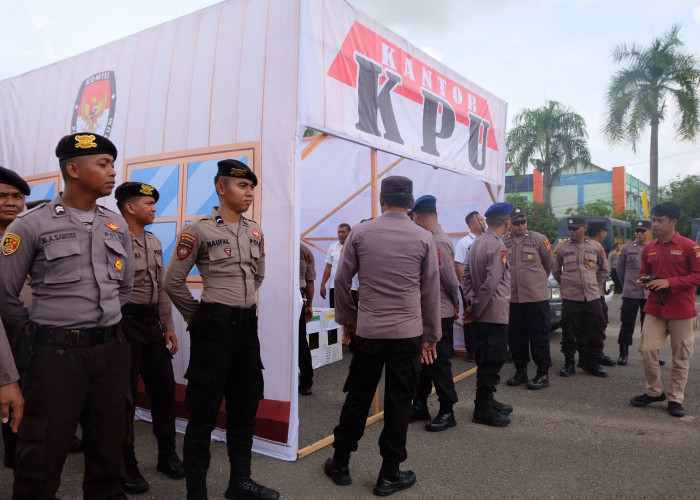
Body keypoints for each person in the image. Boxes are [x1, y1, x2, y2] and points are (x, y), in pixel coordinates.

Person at [0, 133, 135, 499]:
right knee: (40, 460)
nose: (112, 172)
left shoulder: (115, 224)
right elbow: (4, 295)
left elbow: (124, 288)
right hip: (55, 359)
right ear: (73, 169)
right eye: (103, 164)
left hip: (109, 354)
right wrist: (34, 331)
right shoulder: (30, 225)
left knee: (110, 455)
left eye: (112, 163)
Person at [164, 159, 278, 500]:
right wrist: (197, 318)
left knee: (244, 408)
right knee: (203, 413)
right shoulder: (198, 229)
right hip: (213, 326)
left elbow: (258, 275)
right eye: (243, 186)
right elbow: (173, 281)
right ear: (221, 188)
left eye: (251, 188)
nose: (249, 194)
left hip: (245, 328)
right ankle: (196, 491)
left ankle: (239, 482)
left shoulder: (254, 230)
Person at [323, 176, 440, 497]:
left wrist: (348, 321)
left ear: (381, 199)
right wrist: (431, 335)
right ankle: (389, 473)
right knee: (400, 401)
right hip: (408, 334)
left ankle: (341, 462)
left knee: (358, 396)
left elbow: (341, 282)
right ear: (411, 203)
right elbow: (430, 291)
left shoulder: (360, 232)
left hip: (370, 331)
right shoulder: (422, 237)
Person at [114, 182, 184, 494]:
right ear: (130, 207)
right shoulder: (112, 238)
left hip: (152, 325)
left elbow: (162, 286)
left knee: (164, 391)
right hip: (123, 323)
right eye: (148, 203)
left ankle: (167, 455)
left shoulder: (154, 240)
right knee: (124, 398)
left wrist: (168, 325)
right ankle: (125, 462)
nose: (154, 208)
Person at [630, 202, 700, 418]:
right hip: (655, 308)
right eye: (654, 220)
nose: (655, 224)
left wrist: (669, 283)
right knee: (647, 349)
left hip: (682, 310)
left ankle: (675, 398)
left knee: (681, 356)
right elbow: (644, 271)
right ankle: (654, 391)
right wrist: (644, 281)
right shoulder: (650, 248)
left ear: (673, 222)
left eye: (660, 220)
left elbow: (698, 275)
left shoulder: (690, 247)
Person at [409, 195, 460, 432]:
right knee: (423, 363)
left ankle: (447, 410)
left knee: (438, 363)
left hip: (439, 312)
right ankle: (420, 405)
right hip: (427, 311)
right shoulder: (429, 238)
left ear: (417, 216)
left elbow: (449, 279)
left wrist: (455, 304)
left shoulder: (437, 241)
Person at [462, 202, 513, 427]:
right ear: (507, 222)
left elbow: (465, 275)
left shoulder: (477, 243)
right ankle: (481, 408)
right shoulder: (497, 245)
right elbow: (492, 282)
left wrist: (472, 300)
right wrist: (477, 307)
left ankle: (487, 400)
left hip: (482, 311)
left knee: (486, 359)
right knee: (493, 360)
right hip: (493, 313)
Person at [503, 206, 554, 390]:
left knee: (539, 337)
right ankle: (520, 371)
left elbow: (549, 264)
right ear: (509, 223)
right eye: (516, 222)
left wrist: (535, 282)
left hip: (535, 299)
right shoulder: (503, 242)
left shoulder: (539, 239)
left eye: (523, 221)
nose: (520, 225)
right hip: (513, 299)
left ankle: (542, 373)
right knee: (516, 337)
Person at [552, 215, 608, 378]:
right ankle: (569, 363)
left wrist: (594, 284)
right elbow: (556, 271)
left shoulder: (596, 247)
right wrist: (567, 283)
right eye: (569, 228)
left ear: (584, 228)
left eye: (575, 228)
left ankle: (591, 363)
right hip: (571, 297)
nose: (572, 231)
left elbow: (604, 269)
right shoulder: (562, 248)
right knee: (569, 331)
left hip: (592, 296)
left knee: (595, 330)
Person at [0, 166, 30, 470]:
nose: (11, 202)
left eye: (17, 196)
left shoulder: (29, 237)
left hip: (29, 335)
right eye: (3, 196)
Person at [616, 220, 651, 365]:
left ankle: (650, 354)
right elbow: (620, 270)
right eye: (637, 230)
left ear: (649, 231)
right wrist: (627, 285)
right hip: (631, 293)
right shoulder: (626, 248)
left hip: (650, 294)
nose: (640, 233)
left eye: (643, 230)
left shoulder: (656, 247)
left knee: (649, 326)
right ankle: (623, 354)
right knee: (627, 324)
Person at [320, 223, 359, 345]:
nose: (340, 234)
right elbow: (328, 267)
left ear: (349, 233)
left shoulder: (355, 247)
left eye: (343, 232)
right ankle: (336, 341)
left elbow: (361, 268)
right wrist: (322, 284)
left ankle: (353, 340)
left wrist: (361, 286)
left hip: (351, 286)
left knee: (352, 313)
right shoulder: (332, 247)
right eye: (339, 232)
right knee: (335, 313)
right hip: (334, 286)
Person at [454, 211, 485, 361]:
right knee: (470, 317)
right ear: (472, 224)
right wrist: (465, 288)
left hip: (484, 286)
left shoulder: (487, 240)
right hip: (470, 286)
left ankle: (483, 349)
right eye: (480, 220)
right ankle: (471, 351)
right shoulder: (464, 242)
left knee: (483, 317)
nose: (483, 222)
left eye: (483, 219)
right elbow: (458, 266)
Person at [587, 222, 616, 367]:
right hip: (595, 293)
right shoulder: (596, 246)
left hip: (591, 292)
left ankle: (593, 355)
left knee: (594, 324)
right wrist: (595, 284)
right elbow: (605, 270)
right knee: (597, 324)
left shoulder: (588, 245)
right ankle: (594, 356)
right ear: (602, 232)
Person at [298, 243, 316, 395]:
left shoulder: (273, 245)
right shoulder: (305, 250)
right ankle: (306, 382)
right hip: (299, 296)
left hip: (277, 294)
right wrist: (309, 305)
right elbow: (310, 281)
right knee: (300, 341)